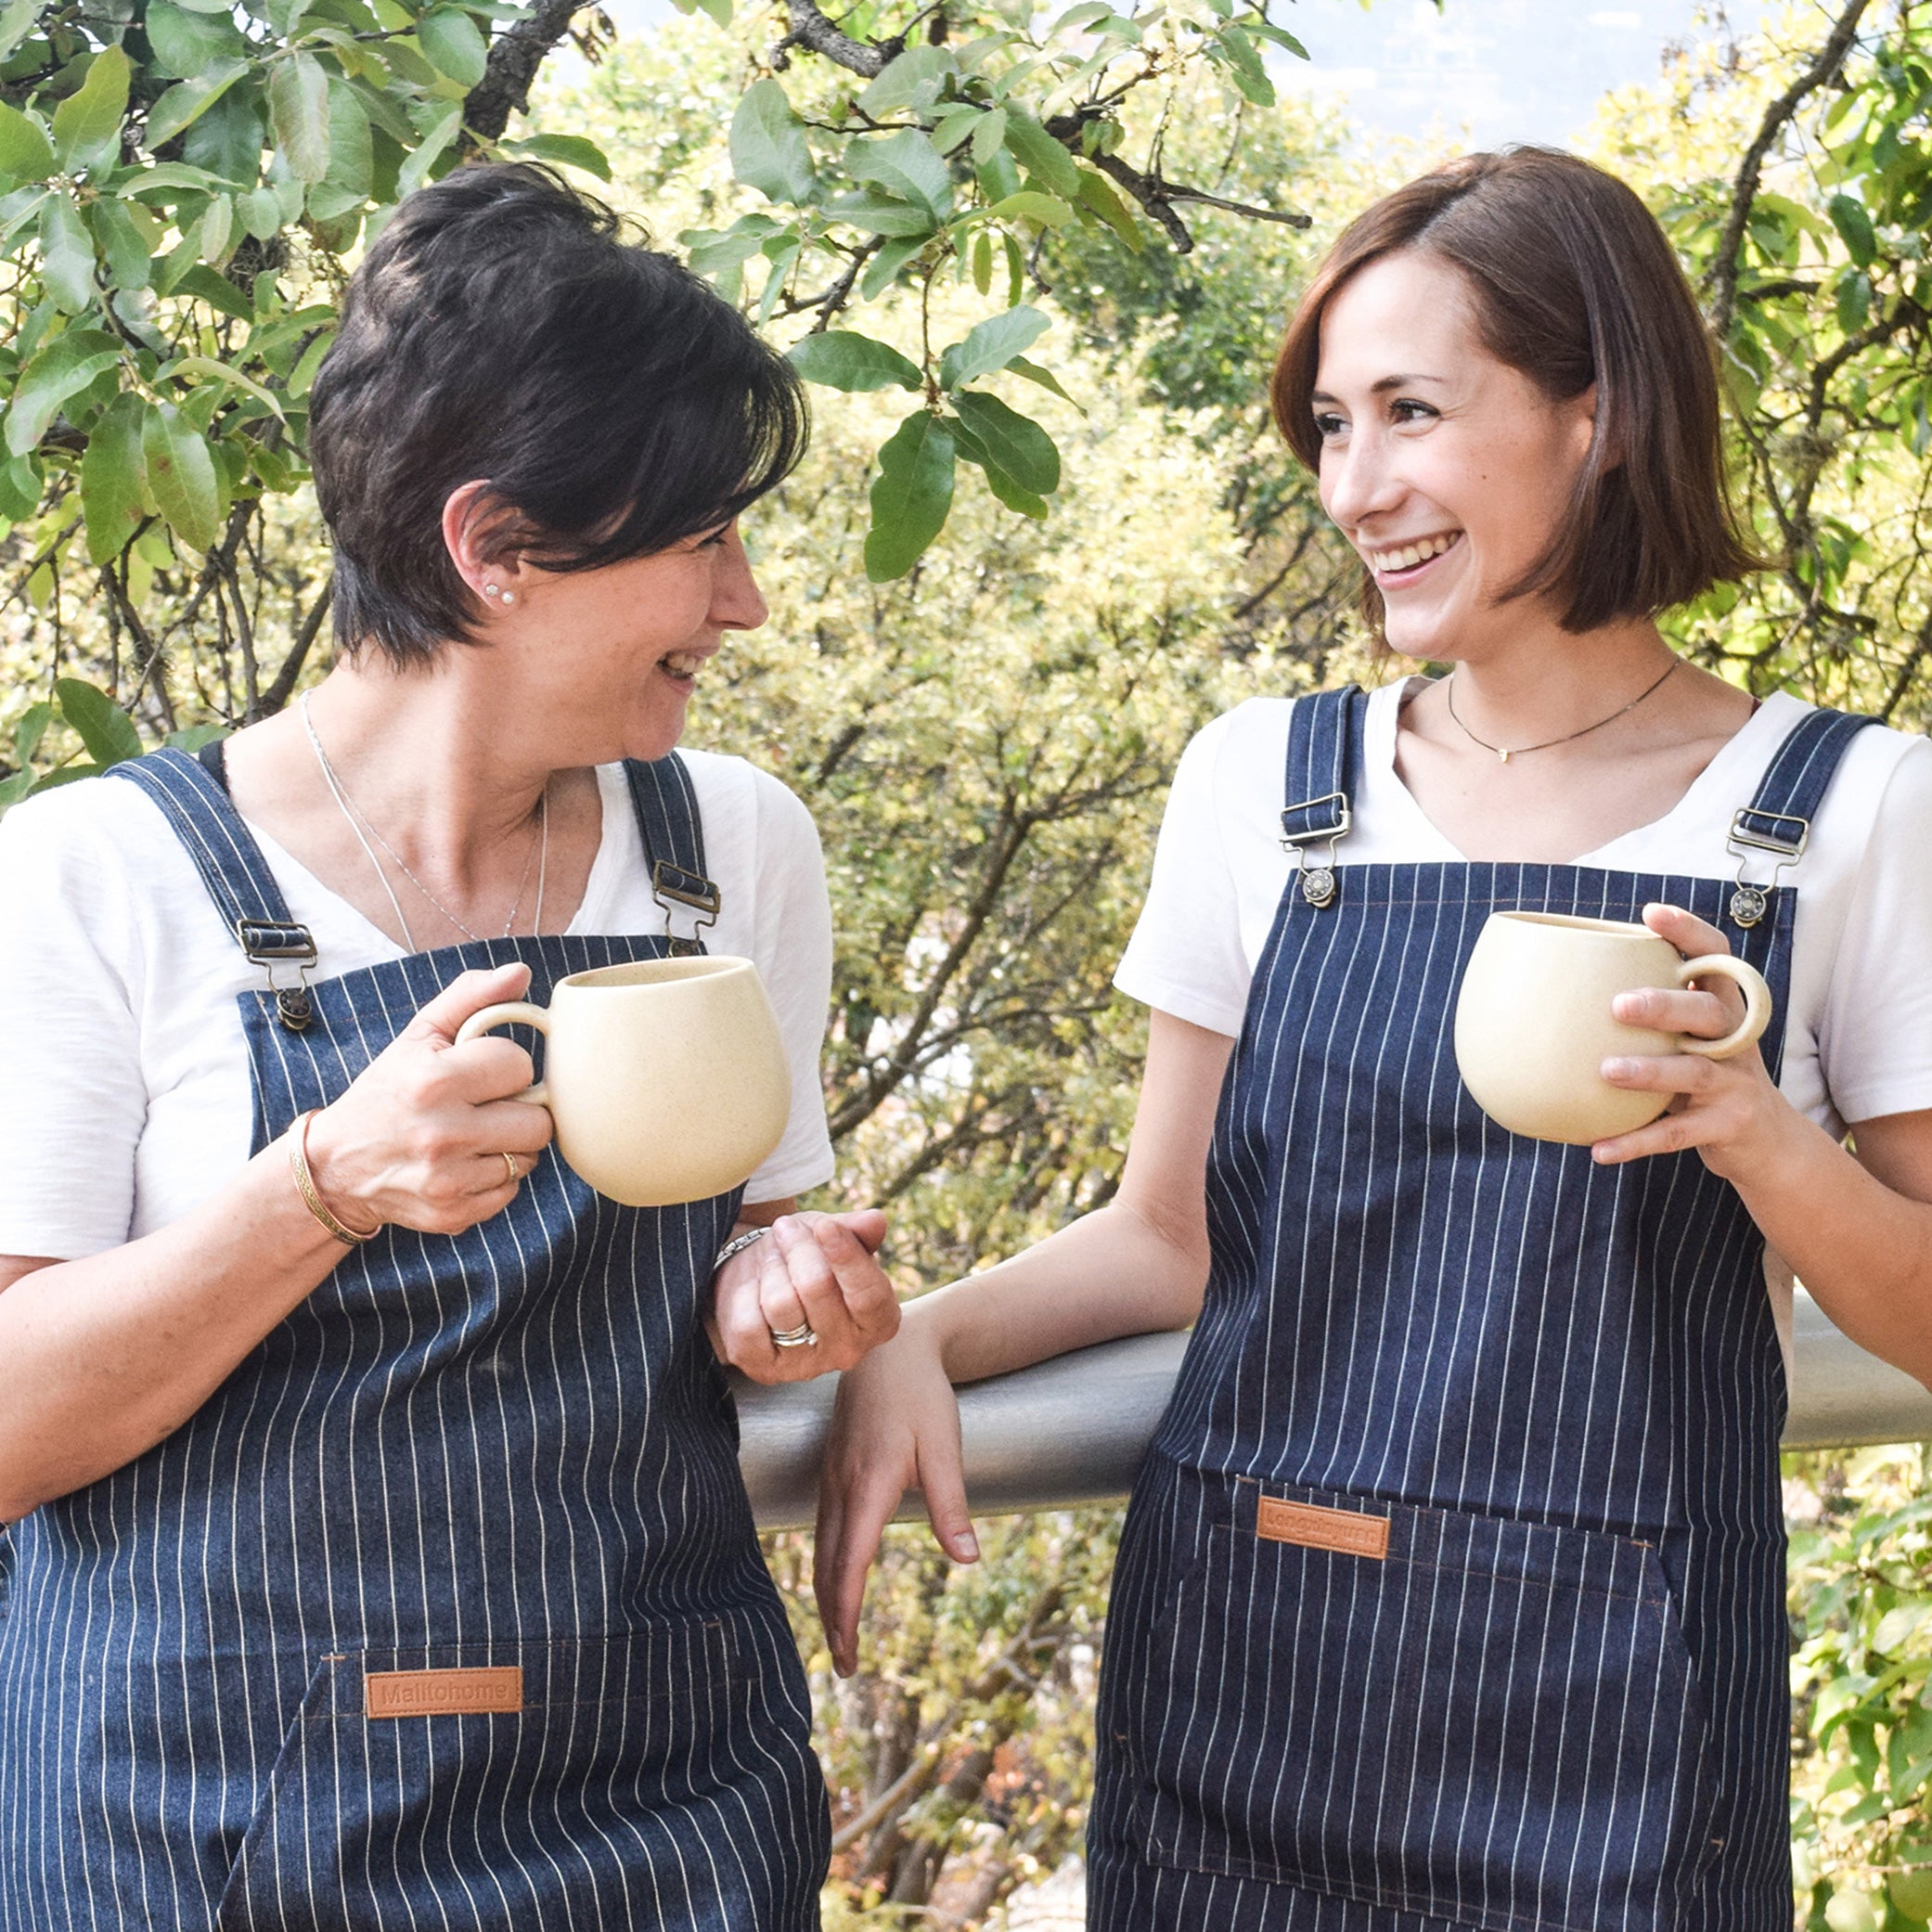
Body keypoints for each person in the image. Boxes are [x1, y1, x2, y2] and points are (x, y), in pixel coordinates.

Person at [814, 148, 1932, 1930]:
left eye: (1411, 410)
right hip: (1242, 1696)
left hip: (1621, 1733)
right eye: (1331, 425)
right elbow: (1161, 1234)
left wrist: (1754, 1134)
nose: (1357, 484)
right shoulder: (1268, 787)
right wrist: (905, 1346)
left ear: (1601, 413)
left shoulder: (1842, 813)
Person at [0, 163, 899, 1929]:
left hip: (667, 1808)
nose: (748, 605)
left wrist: (795, 1292)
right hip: (203, 1828)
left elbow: (754, 1258)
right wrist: (320, 1188)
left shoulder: (732, 850)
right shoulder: (92, 876)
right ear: (493, 547)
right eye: (704, 538)